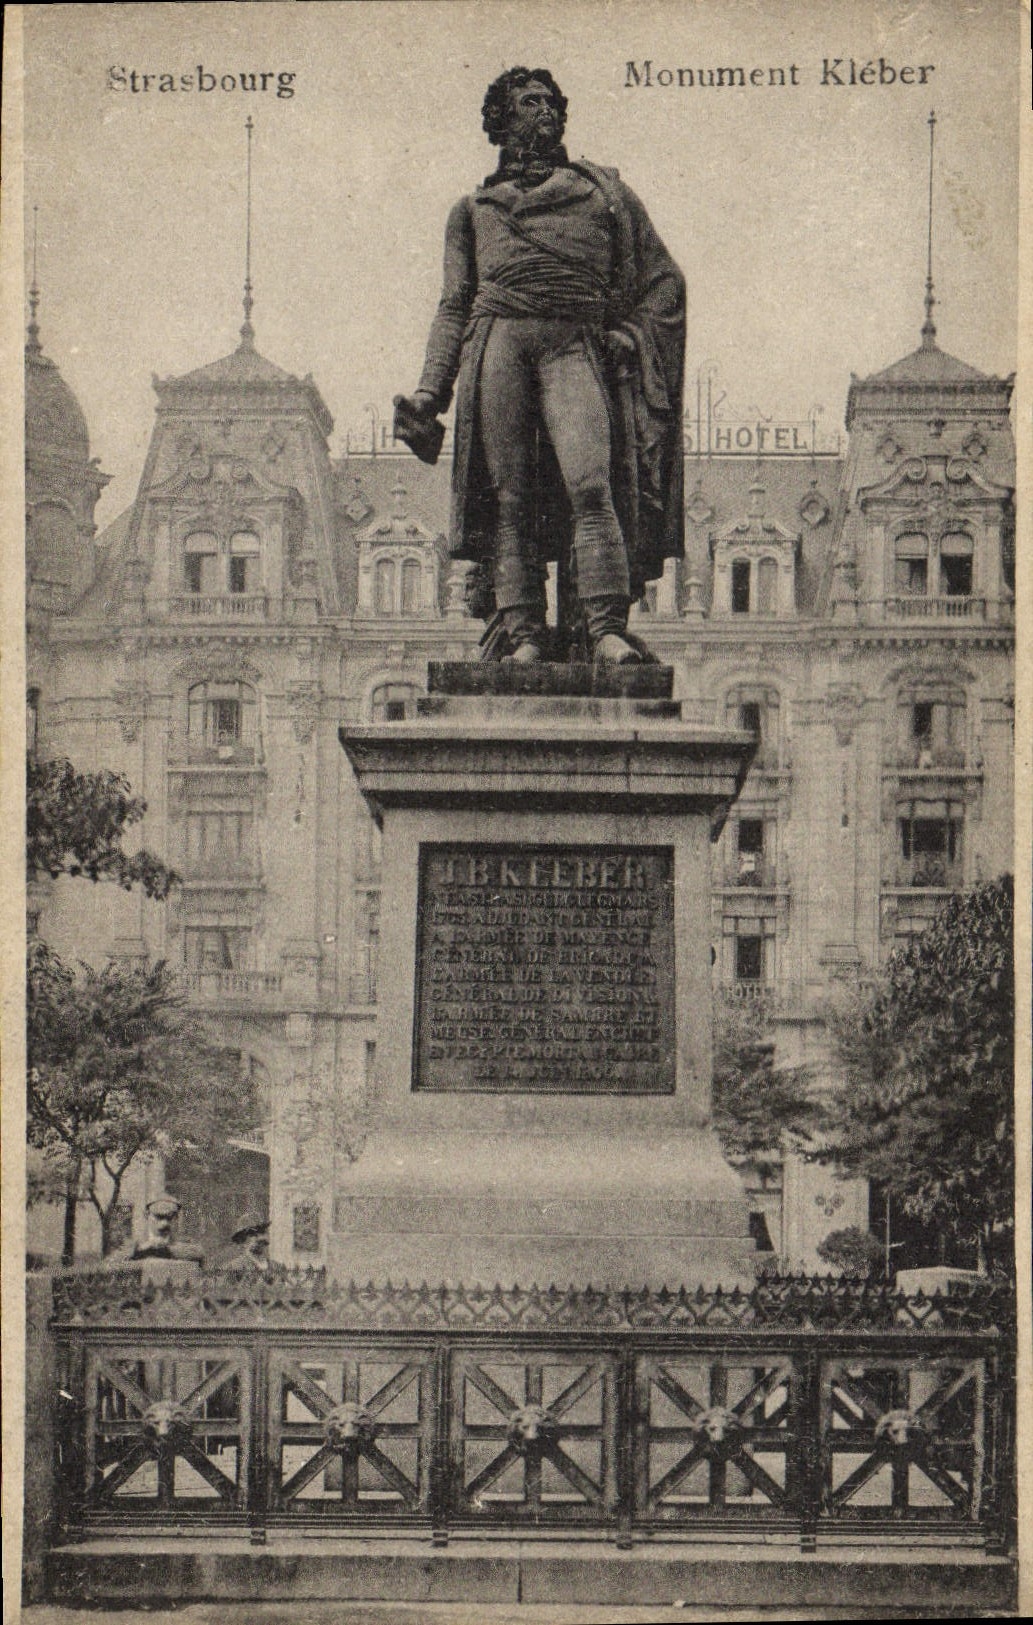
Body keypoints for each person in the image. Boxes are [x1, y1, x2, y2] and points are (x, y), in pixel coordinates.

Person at [395, 67, 686, 664]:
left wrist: (630, 337)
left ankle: (605, 628)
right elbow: (453, 306)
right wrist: (429, 392)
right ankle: (523, 633)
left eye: (553, 103)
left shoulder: (606, 196)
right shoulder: (471, 210)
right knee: (510, 498)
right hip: (497, 343)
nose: (547, 112)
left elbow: (665, 283)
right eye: (531, 103)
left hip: (571, 344)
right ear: (501, 120)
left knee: (591, 483)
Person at [115, 1194, 204, 1263]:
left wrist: (165, 1249)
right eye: (159, 1217)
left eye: (170, 1218)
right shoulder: (136, 1245)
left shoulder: (185, 1243)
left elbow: (199, 1254)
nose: (164, 1223)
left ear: (177, 1218)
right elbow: (113, 1261)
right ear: (147, 1215)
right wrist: (140, 1249)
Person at [225, 1210, 276, 1274]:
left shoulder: (277, 1267)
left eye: (262, 1231)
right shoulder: (234, 1268)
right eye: (252, 1234)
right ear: (242, 1241)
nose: (259, 1237)